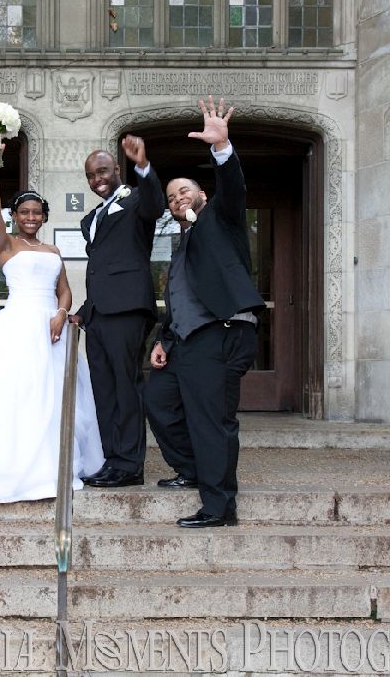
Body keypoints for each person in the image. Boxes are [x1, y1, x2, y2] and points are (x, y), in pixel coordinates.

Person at [0, 140, 104, 503]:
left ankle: (52, 465)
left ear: (44, 216)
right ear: (16, 216)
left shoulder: (53, 251)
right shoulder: (6, 244)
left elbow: (65, 291)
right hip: (15, 327)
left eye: (37, 212)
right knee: (17, 398)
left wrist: (59, 314)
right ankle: (13, 465)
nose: (31, 218)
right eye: (24, 212)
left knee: (52, 400)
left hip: (50, 330)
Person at [144, 96, 265, 527]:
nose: (178, 197)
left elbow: (234, 187)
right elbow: (179, 299)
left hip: (221, 333)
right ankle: (192, 470)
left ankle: (219, 506)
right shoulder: (181, 247)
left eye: (185, 191)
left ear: (202, 194)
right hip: (185, 341)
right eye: (172, 195)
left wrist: (221, 150)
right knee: (157, 400)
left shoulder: (222, 219)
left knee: (212, 421)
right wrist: (164, 339)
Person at [69, 136, 166, 488]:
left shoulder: (138, 200)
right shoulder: (91, 218)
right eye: (92, 175)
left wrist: (144, 166)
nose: (98, 179)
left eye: (104, 171)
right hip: (98, 316)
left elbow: (156, 204)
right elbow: (103, 266)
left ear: (117, 170)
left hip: (127, 310)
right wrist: (83, 310)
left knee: (126, 388)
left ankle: (129, 465)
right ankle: (110, 459)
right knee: (104, 390)